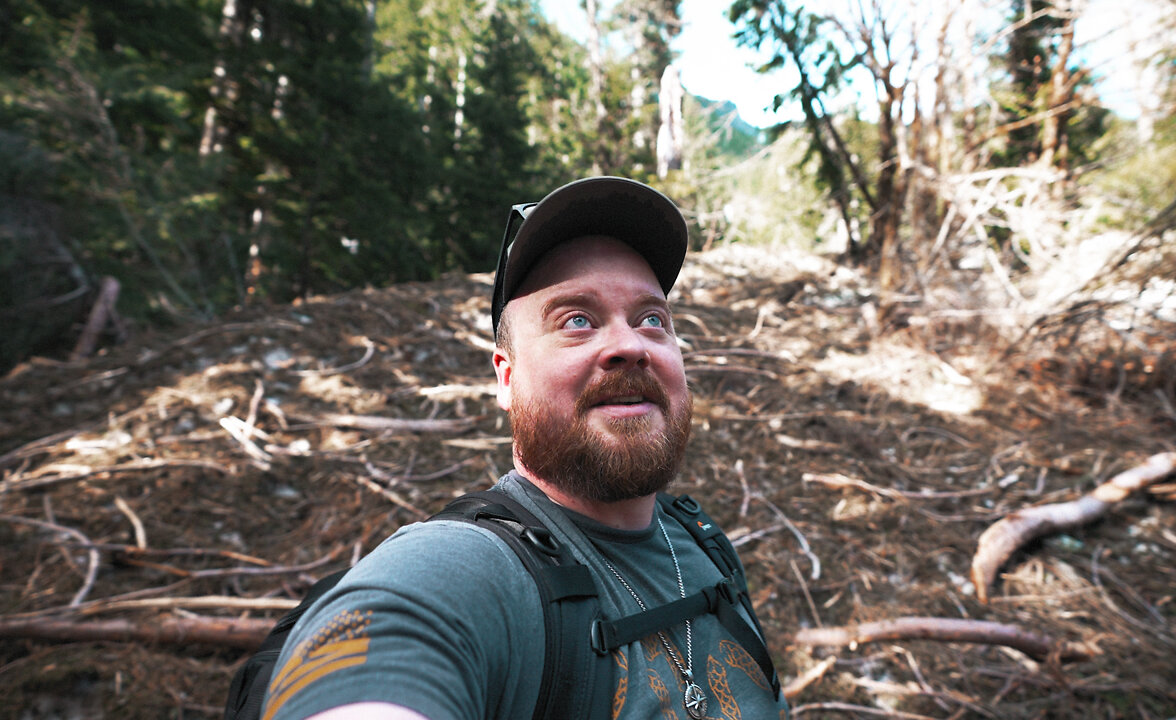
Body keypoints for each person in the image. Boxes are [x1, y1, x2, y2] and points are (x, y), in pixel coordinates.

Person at [259, 177, 788, 720]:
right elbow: (392, 640)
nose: (630, 345)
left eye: (651, 319)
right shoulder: (468, 571)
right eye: (576, 320)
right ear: (506, 380)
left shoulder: (702, 543)